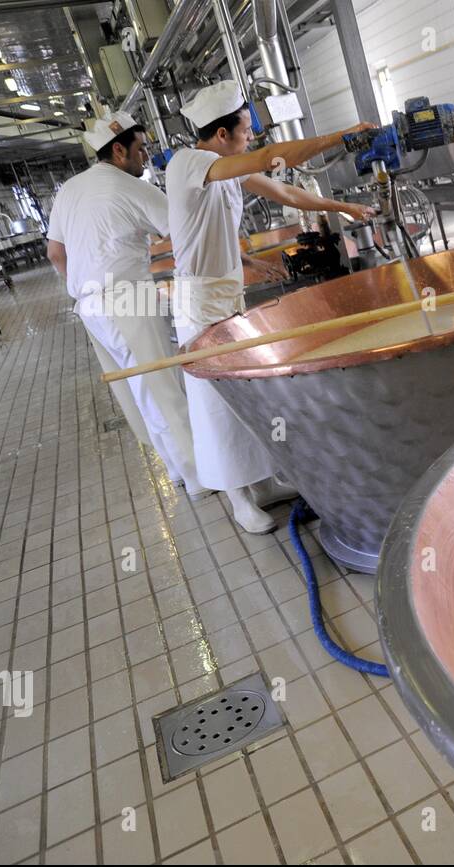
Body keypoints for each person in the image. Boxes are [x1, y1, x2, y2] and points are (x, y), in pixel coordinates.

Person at [168, 80, 376, 534]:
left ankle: (262, 481)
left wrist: (344, 206)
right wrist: (342, 137)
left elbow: (287, 193)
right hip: (200, 302)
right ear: (221, 135)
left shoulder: (226, 167)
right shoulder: (190, 162)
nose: (251, 138)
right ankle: (238, 499)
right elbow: (269, 159)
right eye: (245, 130)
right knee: (215, 400)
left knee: (247, 390)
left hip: (226, 293)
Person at [47, 112, 201, 495]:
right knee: (163, 386)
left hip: (89, 307)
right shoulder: (135, 187)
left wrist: (89, 288)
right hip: (128, 300)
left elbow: (55, 253)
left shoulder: (69, 189)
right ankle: (200, 477)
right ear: (118, 150)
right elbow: (187, 236)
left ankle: (176, 468)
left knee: (138, 389)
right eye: (141, 148)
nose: (146, 156)